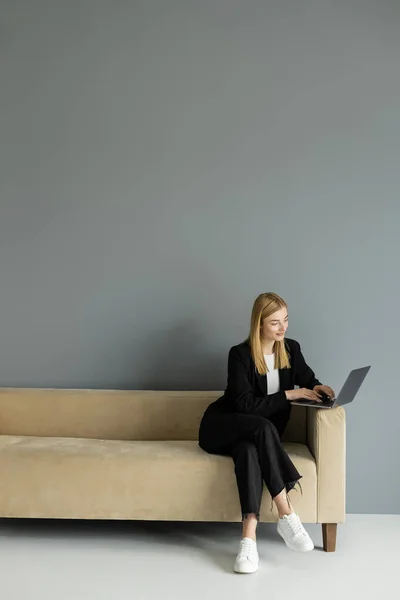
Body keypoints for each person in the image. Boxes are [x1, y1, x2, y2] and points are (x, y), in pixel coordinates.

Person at [198, 292, 335, 574]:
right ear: (258, 324)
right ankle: (285, 511)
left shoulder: (291, 349)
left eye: (285, 320)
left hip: (255, 436)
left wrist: (322, 388)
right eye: (275, 323)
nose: (282, 328)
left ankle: (248, 540)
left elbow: (308, 379)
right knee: (261, 426)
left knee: (249, 450)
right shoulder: (239, 355)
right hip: (221, 426)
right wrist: (288, 394)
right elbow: (246, 406)